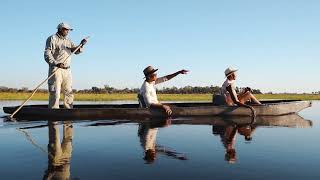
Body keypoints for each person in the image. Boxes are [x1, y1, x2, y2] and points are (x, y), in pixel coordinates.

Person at [44, 22, 87, 109]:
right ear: (60, 29)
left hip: (67, 70)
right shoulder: (52, 38)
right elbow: (47, 54)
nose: (68, 32)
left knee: (69, 92)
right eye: (66, 30)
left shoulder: (68, 40)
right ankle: (53, 113)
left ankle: (68, 113)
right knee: (55, 92)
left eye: (69, 30)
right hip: (56, 69)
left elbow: (76, 51)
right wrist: (56, 63)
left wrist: (81, 44)